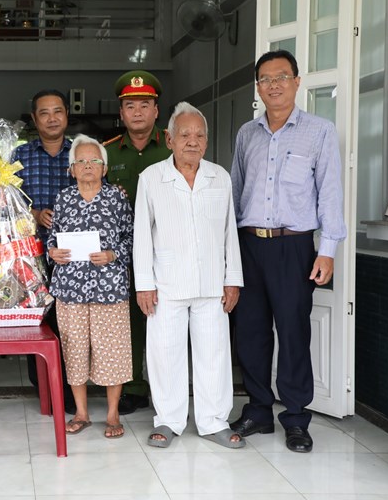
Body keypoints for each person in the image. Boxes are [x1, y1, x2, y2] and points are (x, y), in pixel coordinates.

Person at [229, 50, 347, 453]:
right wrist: (230, 251)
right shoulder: (247, 134)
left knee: (294, 332)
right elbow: (236, 192)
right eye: (265, 79)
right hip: (249, 246)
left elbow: (330, 193)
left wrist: (327, 249)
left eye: (281, 76)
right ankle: (258, 411)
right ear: (258, 88)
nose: (273, 84)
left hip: (295, 246)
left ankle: (295, 417)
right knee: (251, 332)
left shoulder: (319, 131)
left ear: (297, 82)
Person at [133, 102, 244, 449]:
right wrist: (144, 284)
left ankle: (213, 421)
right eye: (184, 135)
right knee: (165, 353)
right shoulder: (151, 177)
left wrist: (233, 279)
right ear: (169, 139)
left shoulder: (219, 176)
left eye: (199, 135)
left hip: (212, 283)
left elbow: (230, 233)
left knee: (214, 353)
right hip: (166, 284)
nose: (192, 142)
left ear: (206, 142)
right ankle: (168, 420)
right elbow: (141, 235)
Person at [47, 134, 133, 439]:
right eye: (80, 161)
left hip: (108, 287)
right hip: (70, 288)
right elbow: (52, 238)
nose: (87, 166)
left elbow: (131, 238)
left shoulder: (117, 198)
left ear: (104, 168)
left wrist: (112, 254)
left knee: (113, 350)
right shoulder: (63, 199)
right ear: (71, 169)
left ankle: (112, 414)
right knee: (75, 349)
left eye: (94, 161)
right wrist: (53, 252)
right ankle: (81, 413)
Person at [102, 70, 171, 415]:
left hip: (170, 250)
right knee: (129, 320)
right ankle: (133, 387)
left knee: (167, 320)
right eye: (131, 106)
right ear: (122, 112)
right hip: (124, 254)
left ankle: (166, 389)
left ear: (157, 110)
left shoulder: (174, 145)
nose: (138, 112)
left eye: (145, 105)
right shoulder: (107, 153)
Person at [12, 89, 76, 414]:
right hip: (33, 254)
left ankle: (68, 389)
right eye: (44, 112)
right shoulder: (19, 156)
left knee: (70, 322)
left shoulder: (81, 153)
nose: (52, 118)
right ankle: (43, 387)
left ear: (66, 115)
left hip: (74, 257)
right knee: (37, 321)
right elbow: (6, 206)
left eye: (57, 111)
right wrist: (34, 215)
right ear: (34, 118)